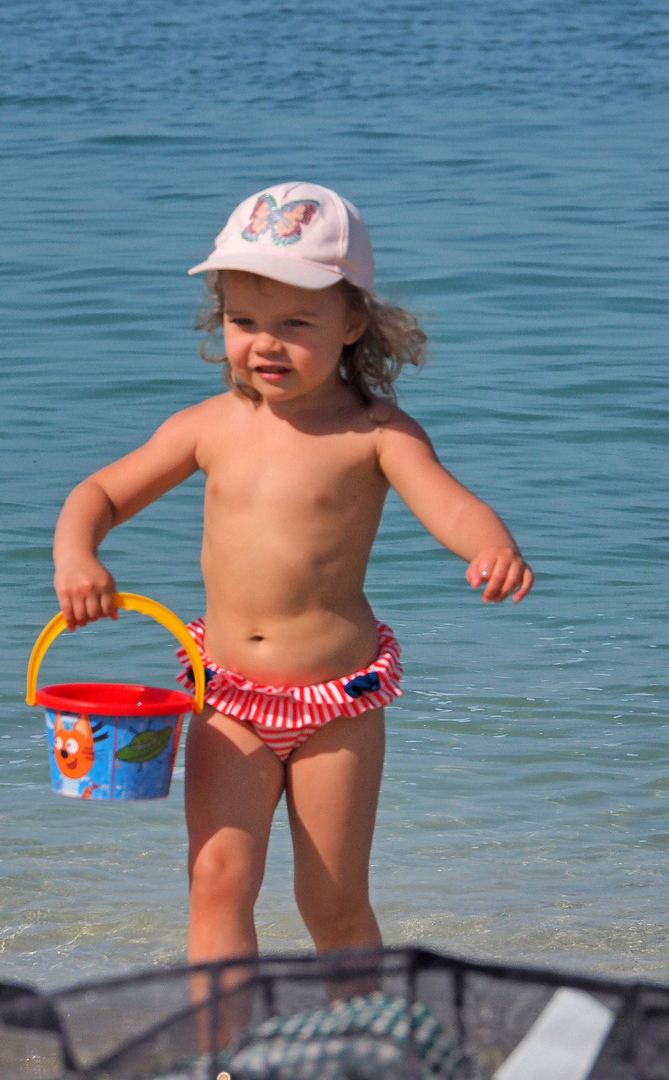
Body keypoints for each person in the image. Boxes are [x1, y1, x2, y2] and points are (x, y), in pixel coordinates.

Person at [52, 182, 534, 972]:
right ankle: (226, 1059)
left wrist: (492, 547)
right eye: (244, 322)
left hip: (335, 704)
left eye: (295, 324)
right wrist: (79, 555)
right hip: (227, 696)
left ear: (353, 323)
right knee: (217, 879)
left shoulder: (375, 433)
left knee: (333, 899)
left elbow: (453, 506)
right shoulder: (208, 428)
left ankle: (364, 1047)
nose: (264, 344)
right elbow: (98, 493)